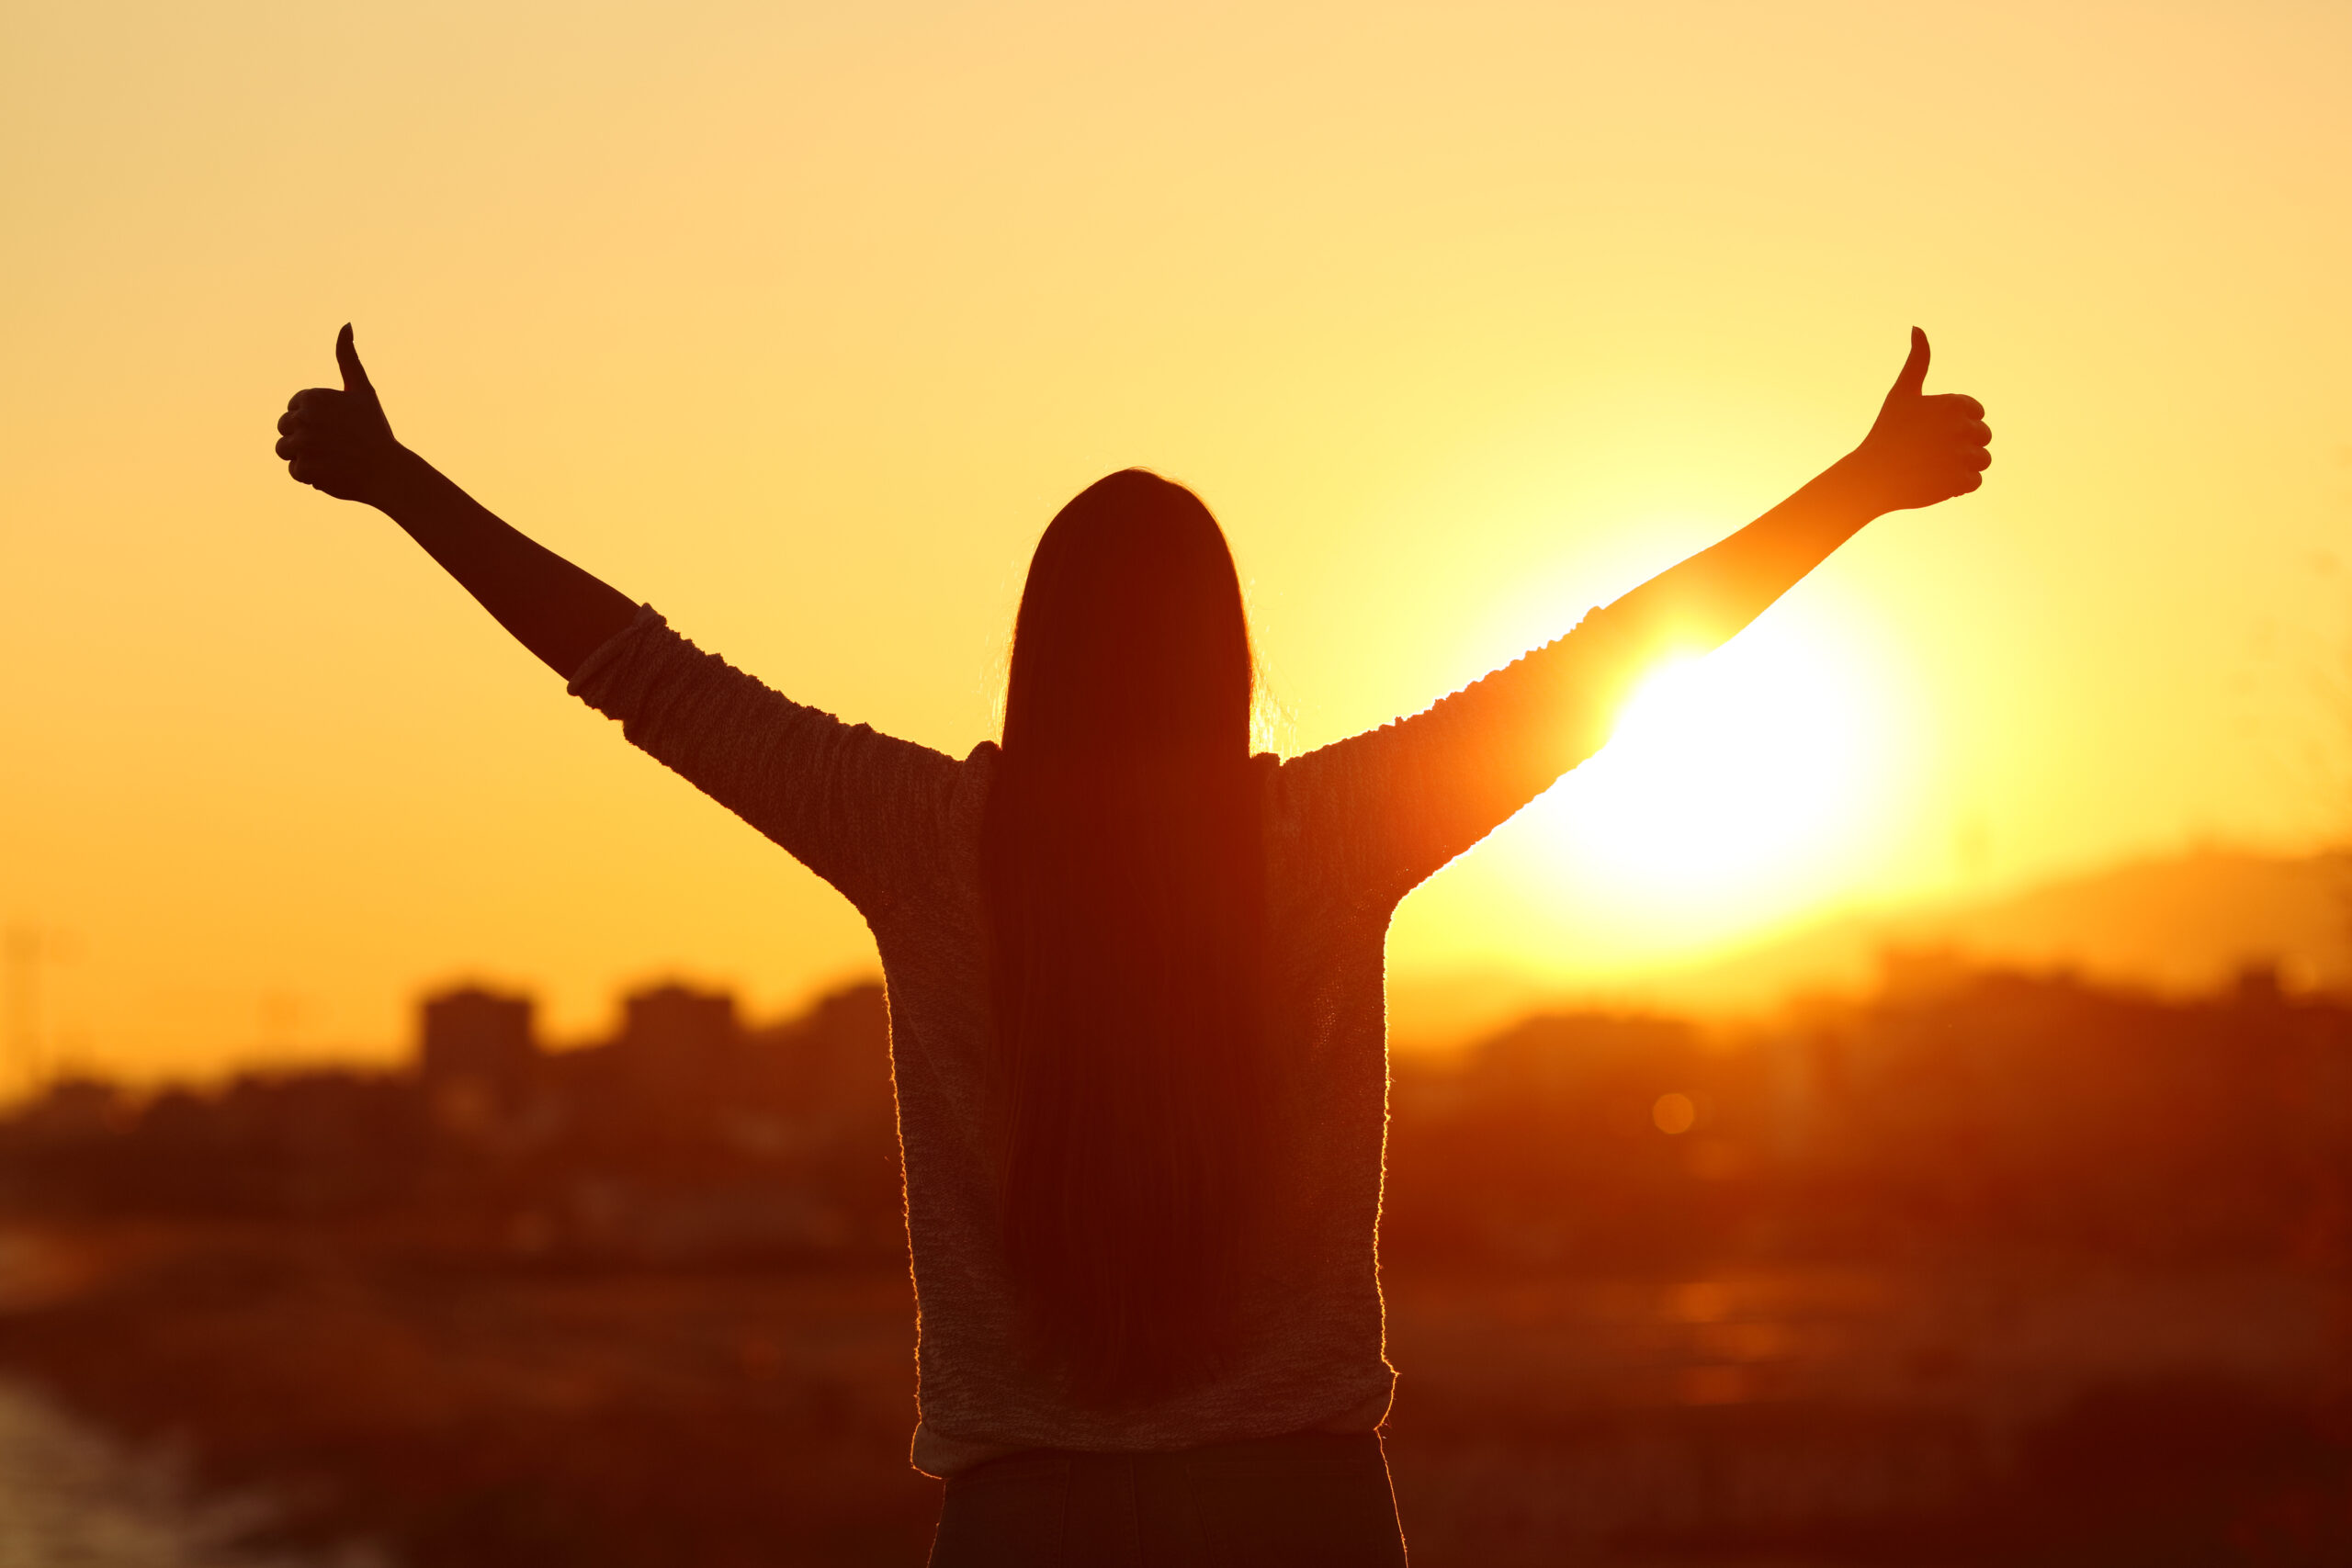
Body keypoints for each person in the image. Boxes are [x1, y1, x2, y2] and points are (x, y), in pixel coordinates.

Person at [274, 326, 1989, 1564]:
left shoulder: (930, 843)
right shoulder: (1322, 842)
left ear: (1037, 656)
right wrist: (1859, 488)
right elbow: (1607, 672)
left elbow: (639, 669)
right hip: (1301, 1518)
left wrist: (400, 483)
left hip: (1028, 1525)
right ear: (1226, 661)